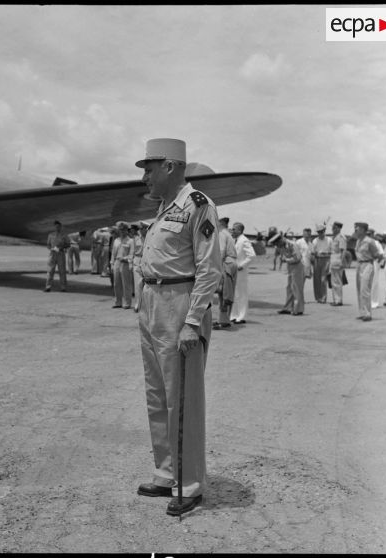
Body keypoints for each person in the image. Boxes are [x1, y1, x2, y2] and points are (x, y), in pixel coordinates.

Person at [135, 138, 222, 517]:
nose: (144, 177)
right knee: (158, 394)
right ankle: (166, 471)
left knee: (182, 397)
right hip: (153, 303)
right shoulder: (162, 209)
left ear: (170, 167)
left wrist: (191, 321)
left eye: (149, 169)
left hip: (180, 305)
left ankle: (190, 485)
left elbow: (209, 268)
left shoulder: (198, 206)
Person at [353, 222, 385, 321]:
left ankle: (367, 314)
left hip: (367, 265)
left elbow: (378, 254)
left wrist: (379, 260)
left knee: (364, 289)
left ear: (363, 230)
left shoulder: (370, 241)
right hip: (359, 265)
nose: (355, 230)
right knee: (359, 289)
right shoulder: (358, 241)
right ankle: (362, 312)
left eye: (357, 228)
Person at [269, 233, 305, 316]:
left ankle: (298, 309)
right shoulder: (282, 246)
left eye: (277, 243)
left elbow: (298, 258)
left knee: (296, 287)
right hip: (290, 267)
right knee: (289, 288)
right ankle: (288, 308)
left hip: (297, 267)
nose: (277, 246)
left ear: (281, 239)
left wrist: (287, 260)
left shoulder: (292, 244)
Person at [213, 217, 237, 329]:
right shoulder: (227, 233)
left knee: (224, 294)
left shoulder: (222, 233)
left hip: (225, 263)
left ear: (220, 223)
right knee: (226, 293)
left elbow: (221, 251)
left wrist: (217, 267)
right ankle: (224, 319)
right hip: (231, 263)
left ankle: (224, 321)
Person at [229, 222, 255, 324]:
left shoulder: (244, 240)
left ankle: (242, 316)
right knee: (235, 294)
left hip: (241, 272)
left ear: (240, 230)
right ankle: (234, 315)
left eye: (234, 229)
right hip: (234, 270)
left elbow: (252, 255)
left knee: (242, 294)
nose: (232, 231)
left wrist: (242, 265)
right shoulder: (235, 240)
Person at [110, 221, 135, 309]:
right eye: (120, 230)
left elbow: (132, 254)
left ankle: (127, 303)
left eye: (124, 230)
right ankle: (118, 302)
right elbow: (113, 253)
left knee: (126, 284)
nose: (122, 232)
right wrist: (112, 263)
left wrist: (126, 258)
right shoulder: (116, 240)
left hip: (125, 264)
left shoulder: (131, 241)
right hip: (117, 262)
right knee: (116, 284)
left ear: (126, 231)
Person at [44, 220, 70, 292]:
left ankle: (63, 287)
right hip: (52, 254)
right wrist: (51, 248)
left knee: (62, 271)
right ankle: (48, 287)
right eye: (56, 227)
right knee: (50, 270)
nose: (57, 228)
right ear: (54, 227)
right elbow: (48, 245)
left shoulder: (64, 235)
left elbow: (68, 244)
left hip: (61, 254)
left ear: (61, 227)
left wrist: (62, 247)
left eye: (59, 227)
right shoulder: (51, 235)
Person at [310, 223, 332, 303]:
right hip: (317, 259)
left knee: (323, 279)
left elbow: (332, 251)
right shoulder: (315, 241)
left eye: (321, 232)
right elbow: (312, 252)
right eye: (319, 232)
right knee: (316, 279)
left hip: (326, 260)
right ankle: (318, 297)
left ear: (324, 231)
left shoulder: (329, 240)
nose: (320, 234)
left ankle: (323, 297)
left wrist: (326, 255)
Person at [132, 221, 149, 312]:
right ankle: (137, 304)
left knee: (147, 284)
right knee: (137, 283)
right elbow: (133, 251)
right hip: (137, 260)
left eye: (143, 228)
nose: (141, 230)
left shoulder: (150, 238)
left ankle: (145, 304)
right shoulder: (136, 239)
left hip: (147, 260)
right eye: (140, 229)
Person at [329, 221, 347, 306]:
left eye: (335, 228)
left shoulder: (341, 237)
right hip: (333, 260)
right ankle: (336, 299)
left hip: (338, 260)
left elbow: (343, 251)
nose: (333, 229)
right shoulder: (334, 237)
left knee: (338, 281)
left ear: (339, 228)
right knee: (334, 281)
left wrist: (341, 262)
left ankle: (339, 300)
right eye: (333, 227)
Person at [368, 229, 385, 309]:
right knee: (366, 283)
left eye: (370, 234)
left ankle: (374, 302)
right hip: (366, 263)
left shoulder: (377, 243)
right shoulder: (364, 242)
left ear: (373, 234)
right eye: (367, 233)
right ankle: (367, 302)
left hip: (374, 263)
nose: (368, 235)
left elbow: (381, 254)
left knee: (374, 283)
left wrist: (378, 262)